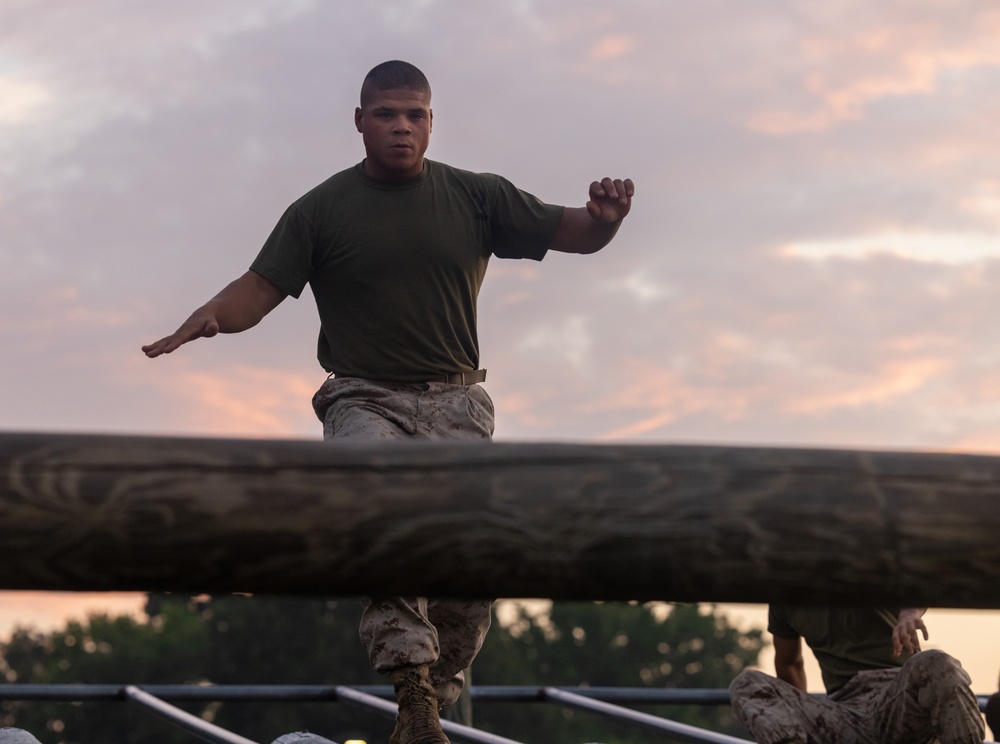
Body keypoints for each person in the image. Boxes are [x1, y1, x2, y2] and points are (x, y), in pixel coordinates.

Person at [142, 60, 634, 744]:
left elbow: (574, 231)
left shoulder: (476, 197)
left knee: (471, 565)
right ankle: (409, 681)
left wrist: (606, 220)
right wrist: (210, 316)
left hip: (458, 404)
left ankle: (428, 699)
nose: (401, 127)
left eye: (415, 115)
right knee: (376, 503)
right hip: (363, 397)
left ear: (432, 123)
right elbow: (260, 287)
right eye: (386, 114)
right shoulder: (321, 209)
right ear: (361, 121)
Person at [728, 606, 984, 744]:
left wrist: (910, 613)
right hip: (844, 713)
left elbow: (919, 579)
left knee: (937, 662)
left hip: (898, 699)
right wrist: (804, 724)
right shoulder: (786, 590)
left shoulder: (864, 557)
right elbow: (790, 664)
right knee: (746, 684)